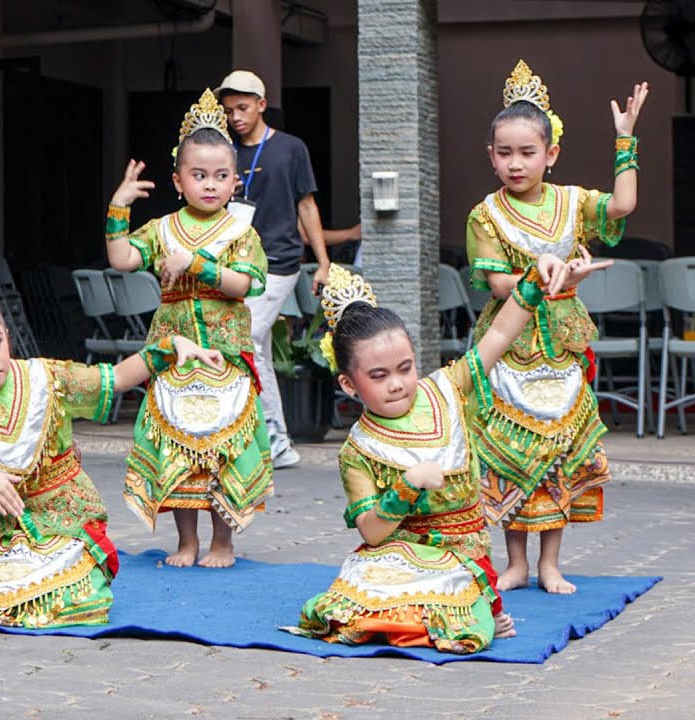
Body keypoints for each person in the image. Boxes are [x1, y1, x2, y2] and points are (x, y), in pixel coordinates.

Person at [285, 252, 608, 653]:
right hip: (397, 552)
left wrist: (533, 285)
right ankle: (464, 617)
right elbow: (371, 530)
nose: (397, 384)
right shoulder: (358, 448)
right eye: (379, 376)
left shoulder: (447, 389)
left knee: (444, 606)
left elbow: (500, 336)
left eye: (405, 368)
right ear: (350, 386)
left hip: (460, 553)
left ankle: (470, 611)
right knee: (351, 608)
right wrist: (407, 487)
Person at [0, 256, 223, 627]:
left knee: (63, 597)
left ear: (6, 335)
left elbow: (115, 378)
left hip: (64, 515)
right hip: (3, 528)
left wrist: (171, 347)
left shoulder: (46, 378)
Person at [466, 61, 647, 594]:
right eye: (505, 153)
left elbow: (623, 204)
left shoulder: (572, 203)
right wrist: (543, 274)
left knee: (559, 454)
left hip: (561, 349)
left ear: (551, 153)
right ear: (491, 156)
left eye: (527, 152)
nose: (516, 163)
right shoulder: (486, 214)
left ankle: (550, 563)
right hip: (509, 345)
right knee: (510, 453)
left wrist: (625, 141)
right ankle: (516, 562)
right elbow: (499, 286)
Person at [106, 89, 273, 569]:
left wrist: (196, 264)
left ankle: (223, 542)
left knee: (221, 449)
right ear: (178, 180)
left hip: (224, 358)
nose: (210, 185)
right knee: (177, 444)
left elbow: (245, 285)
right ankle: (187, 541)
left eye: (221, 176)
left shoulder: (241, 233)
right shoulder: (160, 230)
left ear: (235, 181)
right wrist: (119, 206)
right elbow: (121, 259)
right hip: (173, 356)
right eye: (199, 175)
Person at [217, 70, 332, 470]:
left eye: (243, 108)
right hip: (236, 264)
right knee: (257, 347)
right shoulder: (225, 151)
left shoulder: (290, 148)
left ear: (262, 105)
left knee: (245, 339)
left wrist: (323, 261)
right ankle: (277, 441)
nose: (235, 117)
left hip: (279, 262)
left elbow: (307, 205)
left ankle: (271, 438)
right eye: (229, 110)